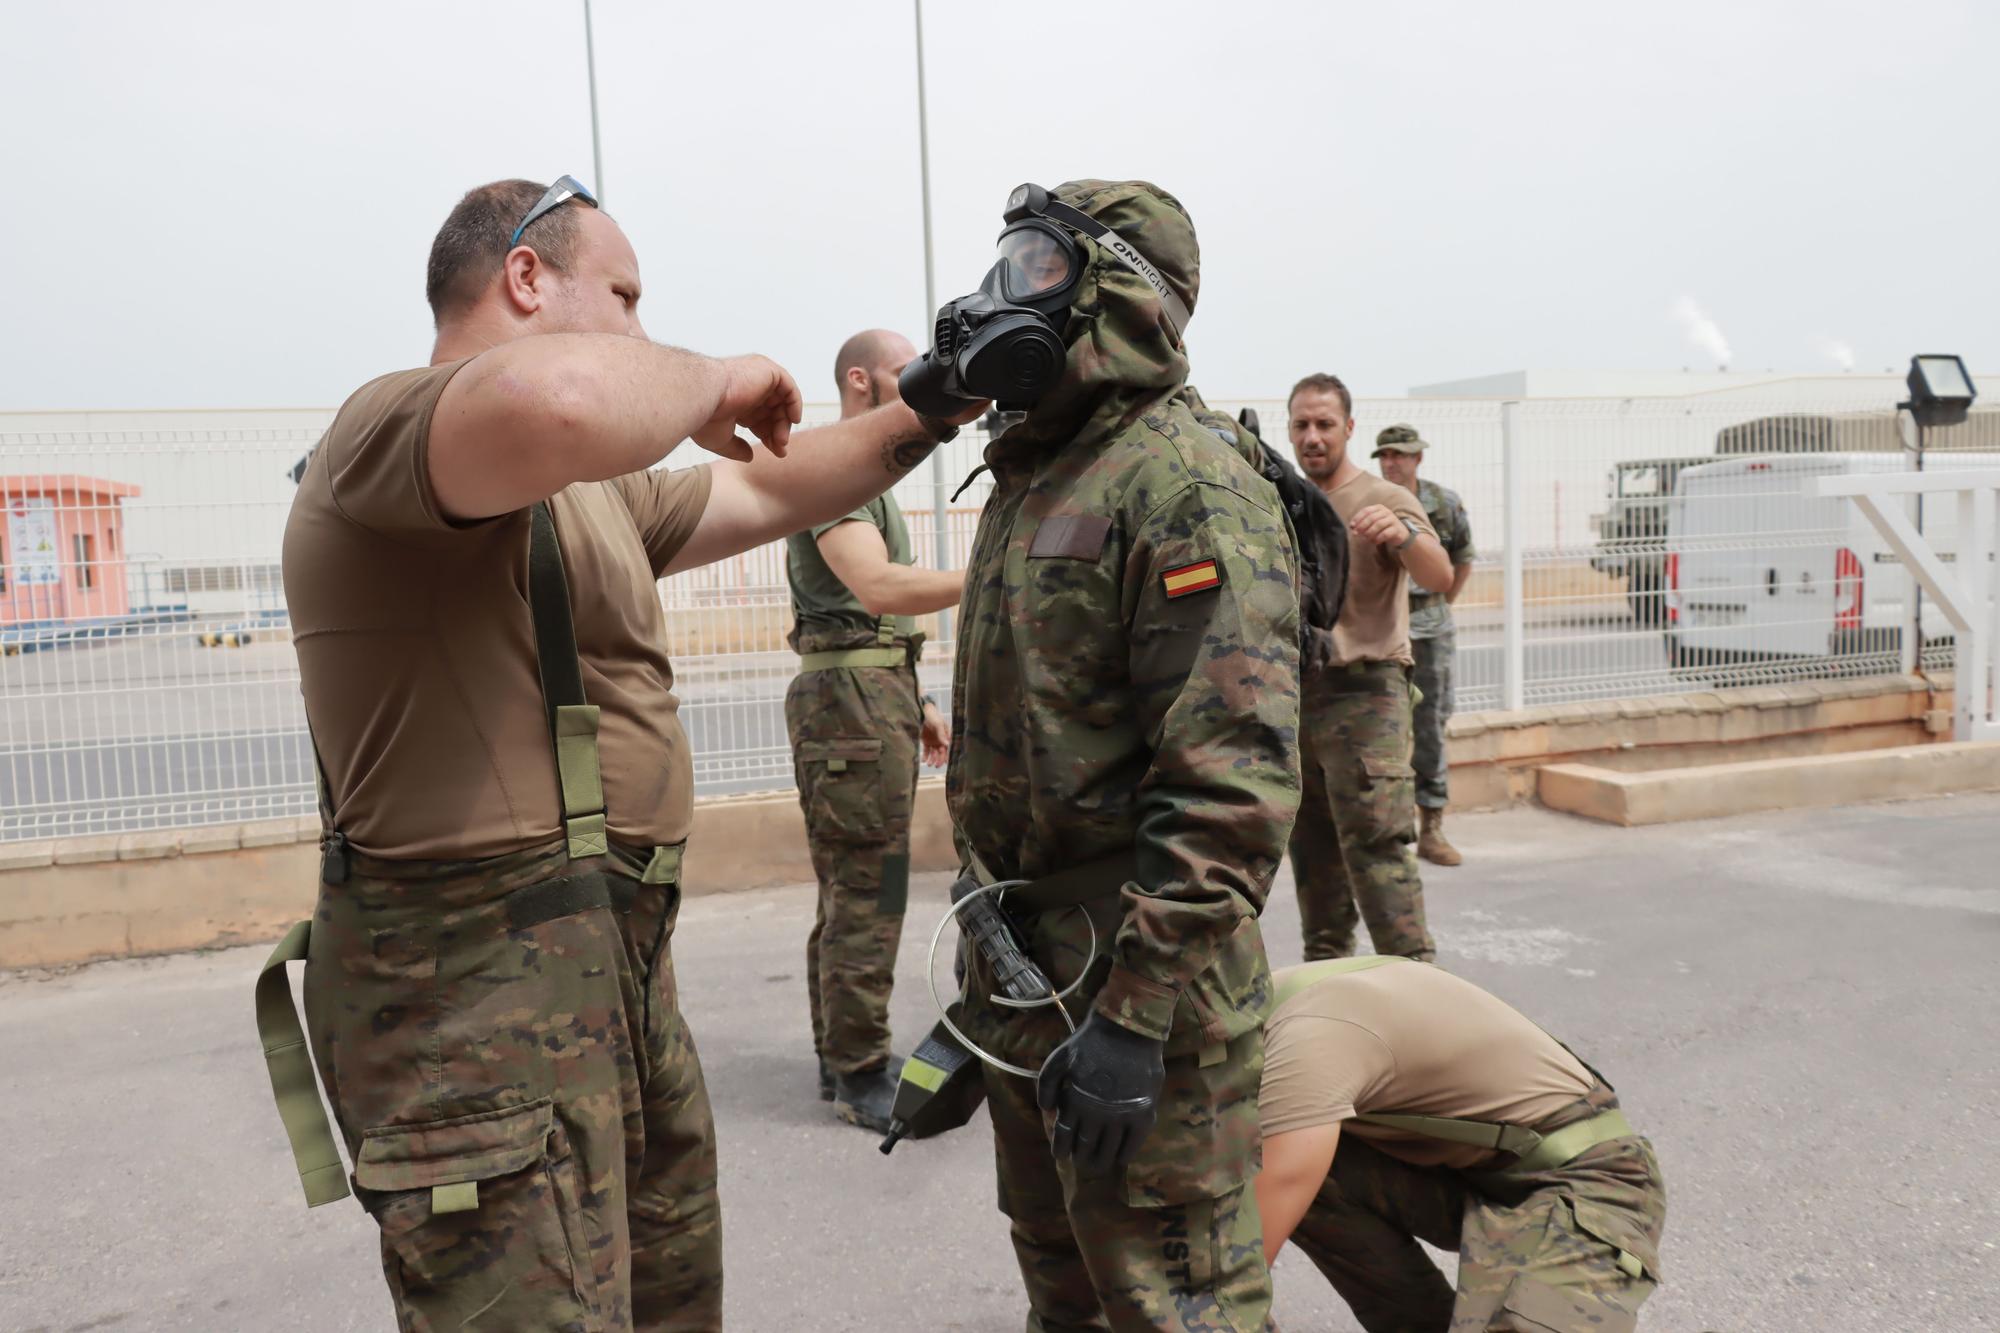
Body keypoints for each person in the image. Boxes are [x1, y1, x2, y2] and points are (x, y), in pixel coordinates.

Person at [263, 176, 975, 1332]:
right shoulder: (389, 429)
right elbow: (564, 400)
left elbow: (770, 488)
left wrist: (934, 409)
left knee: (668, 1302)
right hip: (472, 1001)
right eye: (626, 296)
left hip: (619, 968)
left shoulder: (587, 496)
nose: (644, 329)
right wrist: (709, 377)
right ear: (525, 278)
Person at [919, 179, 1301, 1331]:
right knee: (1063, 1285)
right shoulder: (1037, 469)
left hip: (1139, 989)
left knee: (1175, 1301)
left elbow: (1230, 784)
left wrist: (1135, 1019)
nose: (1001, 289)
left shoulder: (1184, 484)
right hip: (1023, 969)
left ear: (1118, 293)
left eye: (1037, 263)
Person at [1253, 957, 1666, 1331]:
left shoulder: (1306, 1041)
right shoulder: (1257, 1007)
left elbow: (1239, 1271)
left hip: (1588, 1181)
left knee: (1284, 1167)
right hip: (1471, 1172)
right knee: (1297, 1168)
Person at [785, 328, 961, 1132]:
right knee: (870, 890)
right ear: (860, 380)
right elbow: (877, 585)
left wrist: (916, 697)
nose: (920, 380)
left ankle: (842, 1051)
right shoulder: (838, 470)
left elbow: (866, 614)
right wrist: (991, 569)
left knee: (856, 886)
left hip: (870, 693)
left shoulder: (862, 473)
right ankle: (859, 1070)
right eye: (903, 372)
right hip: (851, 705)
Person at [1285, 375, 1454, 963]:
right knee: (1314, 858)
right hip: (1300, 697)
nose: (1313, 436)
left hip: (1367, 694)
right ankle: (1329, 991)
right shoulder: (1286, 501)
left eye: (1325, 424)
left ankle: (1416, 986)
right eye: (1302, 424)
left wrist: (1405, 535)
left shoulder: (1385, 498)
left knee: (1377, 851)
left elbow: (1440, 577)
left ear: (1348, 429)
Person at [1374, 424, 1476, 866]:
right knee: (1383, 731)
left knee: (1431, 725)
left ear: (1418, 459)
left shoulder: (1443, 503)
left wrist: (1440, 605)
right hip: (1385, 628)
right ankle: (1394, 830)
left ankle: (1432, 825)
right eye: (1387, 455)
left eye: (1402, 455)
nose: (1393, 462)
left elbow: (1462, 560)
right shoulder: (1368, 499)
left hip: (1430, 626)